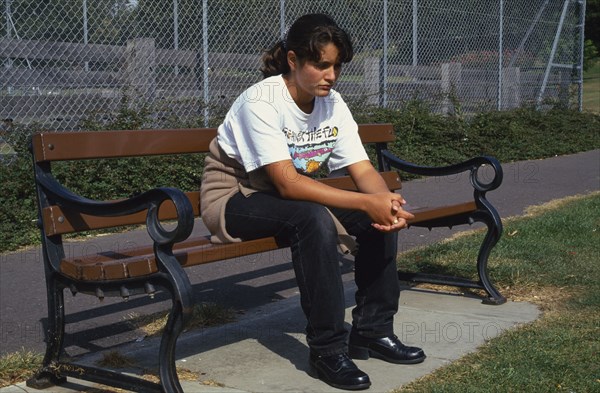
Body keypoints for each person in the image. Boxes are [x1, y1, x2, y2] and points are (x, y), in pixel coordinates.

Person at [200, 13, 425, 391]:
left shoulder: (332, 103)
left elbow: (362, 169)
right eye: (321, 64)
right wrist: (364, 201)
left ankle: (372, 331)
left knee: (374, 213)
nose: (331, 74)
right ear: (293, 60)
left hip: (283, 194)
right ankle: (326, 349)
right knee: (312, 217)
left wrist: (383, 200)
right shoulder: (262, 101)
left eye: (336, 65)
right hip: (234, 197)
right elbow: (288, 185)